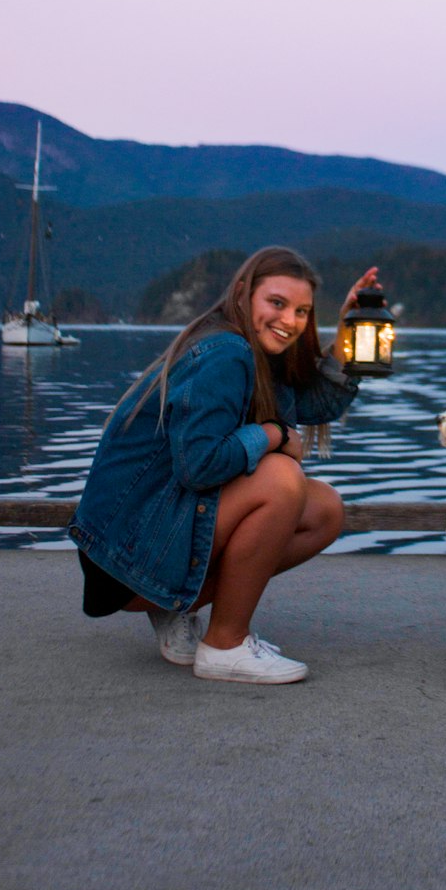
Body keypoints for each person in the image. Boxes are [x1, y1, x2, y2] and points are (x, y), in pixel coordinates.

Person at [68, 246, 380, 684]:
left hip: (145, 537)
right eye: (277, 303)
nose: (290, 320)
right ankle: (225, 645)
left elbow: (317, 402)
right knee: (280, 479)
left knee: (324, 509)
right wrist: (274, 435)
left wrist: (350, 333)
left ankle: (175, 610)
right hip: (123, 554)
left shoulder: (258, 356)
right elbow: (200, 466)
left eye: (302, 311)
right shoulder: (225, 353)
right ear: (242, 295)